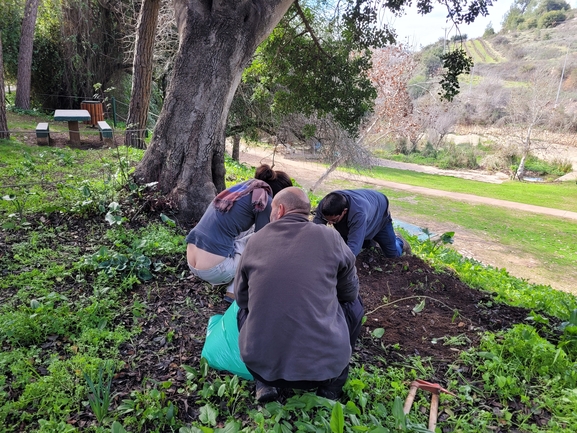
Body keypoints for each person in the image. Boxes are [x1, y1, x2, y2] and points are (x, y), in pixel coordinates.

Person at [236, 187, 364, 402]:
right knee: (355, 305)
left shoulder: (255, 240)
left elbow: (242, 299)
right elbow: (349, 293)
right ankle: (331, 388)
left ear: (280, 210)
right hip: (325, 371)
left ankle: (264, 384)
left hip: (262, 367)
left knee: (242, 310)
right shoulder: (331, 237)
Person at [186, 165, 292, 301]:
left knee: (248, 231)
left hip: (191, 259)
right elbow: (264, 243)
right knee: (257, 243)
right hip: (213, 270)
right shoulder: (265, 201)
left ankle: (226, 269)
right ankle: (233, 292)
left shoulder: (242, 189)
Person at [312, 189, 411, 257]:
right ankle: (369, 241)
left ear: (344, 211)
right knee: (350, 244)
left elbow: (353, 249)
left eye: (333, 221)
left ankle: (399, 241)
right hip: (364, 213)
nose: (329, 223)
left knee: (393, 255)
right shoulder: (325, 205)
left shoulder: (358, 213)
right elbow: (315, 231)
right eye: (327, 220)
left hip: (379, 214)